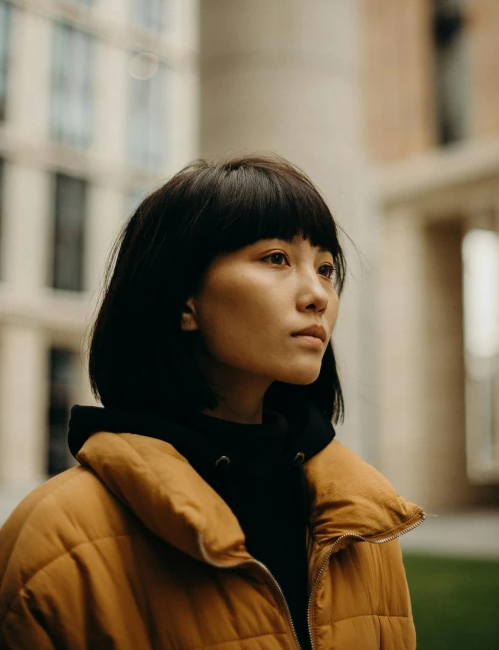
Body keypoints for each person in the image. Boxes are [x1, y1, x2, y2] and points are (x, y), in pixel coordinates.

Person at [0, 155, 425, 650]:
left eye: (326, 268)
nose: (318, 296)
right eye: (276, 258)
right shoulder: (55, 538)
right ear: (185, 301)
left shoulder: (361, 524)